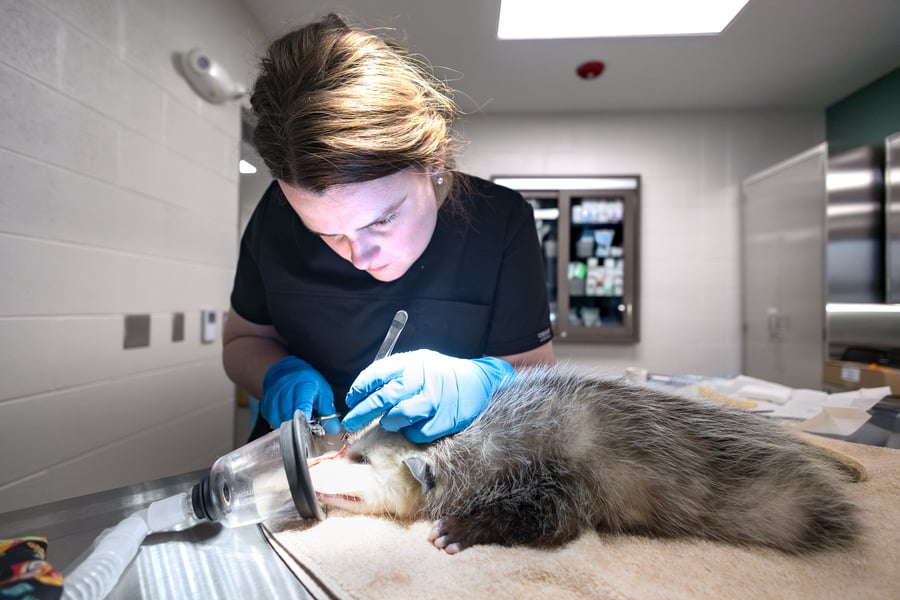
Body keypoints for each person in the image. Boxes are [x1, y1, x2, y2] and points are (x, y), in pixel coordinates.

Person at [224, 13, 555, 443]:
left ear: (433, 159)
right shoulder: (274, 215)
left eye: (382, 220)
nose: (359, 256)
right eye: (326, 233)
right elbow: (240, 342)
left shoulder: (500, 221)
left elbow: (538, 372)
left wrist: (485, 382)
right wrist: (277, 374)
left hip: (441, 474)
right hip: (299, 465)